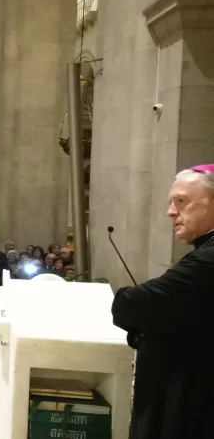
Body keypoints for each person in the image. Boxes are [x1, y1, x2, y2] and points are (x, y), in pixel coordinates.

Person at [111, 166, 214, 439]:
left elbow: (130, 306)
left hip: (190, 399)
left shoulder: (208, 260)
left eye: (181, 201)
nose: (170, 211)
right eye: (170, 202)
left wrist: (144, 329)